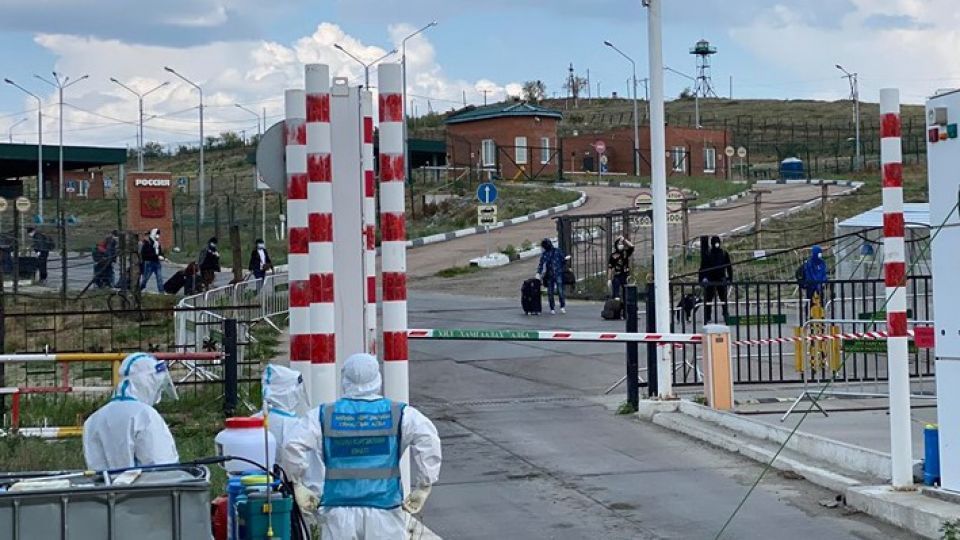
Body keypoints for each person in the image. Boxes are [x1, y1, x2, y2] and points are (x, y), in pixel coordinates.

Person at [280, 353, 442, 539]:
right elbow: (428, 439)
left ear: (344, 379)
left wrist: (298, 483)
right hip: (385, 510)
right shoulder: (400, 413)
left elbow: (292, 444)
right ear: (377, 378)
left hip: (338, 511)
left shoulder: (324, 414)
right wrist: (424, 485)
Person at [82, 352, 179, 470]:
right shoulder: (145, 416)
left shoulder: (93, 420)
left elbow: (95, 468)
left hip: (106, 482)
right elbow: (163, 466)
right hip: (145, 482)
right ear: (148, 382)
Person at [260, 365, 323, 497]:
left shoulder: (253, 422)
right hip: (289, 495)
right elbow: (313, 475)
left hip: (255, 490)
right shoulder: (299, 427)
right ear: (290, 392)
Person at [699, 236, 733, 324]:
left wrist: (730, 278)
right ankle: (707, 316)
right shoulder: (708, 254)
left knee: (723, 298)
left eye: (717, 243)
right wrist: (702, 279)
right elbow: (703, 268)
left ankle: (725, 314)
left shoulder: (724, 253)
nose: (716, 244)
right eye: (715, 243)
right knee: (708, 299)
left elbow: (729, 267)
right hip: (710, 280)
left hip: (721, 279)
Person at [536, 238, 567, 315]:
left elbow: (563, 260)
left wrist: (539, 272)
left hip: (556, 274)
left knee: (559, 291)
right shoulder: (549, 253)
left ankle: (560, 306)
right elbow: (541, 264)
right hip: (551, 275)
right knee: (552, 292)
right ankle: (554, 307)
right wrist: (538, 272)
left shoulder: (556, 251)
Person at [607, 235, 635, 300]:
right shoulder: (613, 255)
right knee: (616, 291)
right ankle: (616, 299)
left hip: (626, 275)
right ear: (616, 245)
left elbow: (632, 246)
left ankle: (625, 303)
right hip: (617, 275)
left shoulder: (625, 252)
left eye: (622, 244)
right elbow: (610, 268)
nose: (621, 245)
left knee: (626, 293)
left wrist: (624, 239)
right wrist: (609, 279)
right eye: (619, 244)